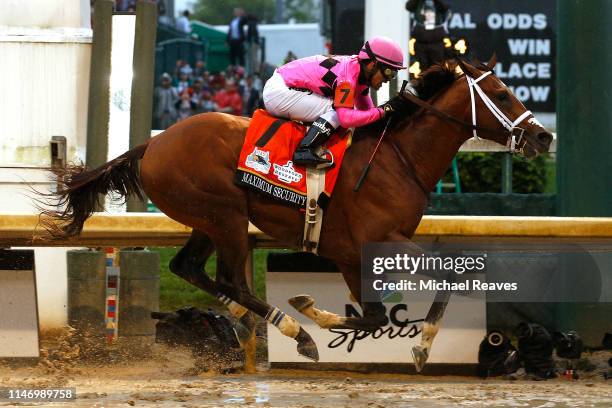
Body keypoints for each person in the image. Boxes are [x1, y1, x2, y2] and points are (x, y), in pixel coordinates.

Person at [262, 36, 406, 167]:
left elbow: (367, 112)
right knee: (338, 111)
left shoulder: (359, 75)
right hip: (279, 91)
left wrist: (389, 114)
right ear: (372, 64)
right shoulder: (347, 77)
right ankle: (304, 150)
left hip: (285, 86)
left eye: (394, 74)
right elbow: (345, 118)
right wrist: (384, 110)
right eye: (389, 72)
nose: (389, 79)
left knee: (348, 111)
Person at [406, 0, 451, 71]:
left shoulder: (439, 3)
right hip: (420, 42)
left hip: (437, 42)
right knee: (422, 70)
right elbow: (408, 6)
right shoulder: (419, 2)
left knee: (438, 68)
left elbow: (446, 7)